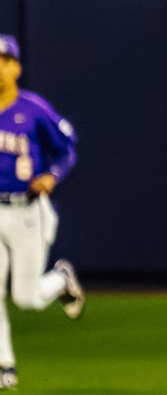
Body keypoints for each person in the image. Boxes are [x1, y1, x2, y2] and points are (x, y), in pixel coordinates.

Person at [0, 34, 85, 391]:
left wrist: (52, 175)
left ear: (16, 67)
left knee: (27, 298)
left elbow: (67, 147)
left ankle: (62, 280)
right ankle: (5, 365)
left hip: (26, 213)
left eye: (4, 59)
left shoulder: (33, 109)